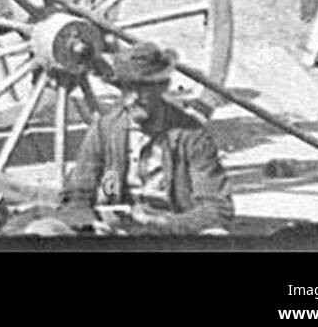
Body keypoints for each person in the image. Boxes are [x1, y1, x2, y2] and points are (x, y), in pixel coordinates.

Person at [57, 41, 234, 236]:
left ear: (163, 87)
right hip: (120, 230)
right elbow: (77, 194)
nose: (132, 98)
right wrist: (89, 222)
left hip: (174, 231)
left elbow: (217, 209)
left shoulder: (191, 135)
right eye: (126, 89)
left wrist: (164, 222)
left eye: (142, 89)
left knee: (216, 236)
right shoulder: (105, 130)